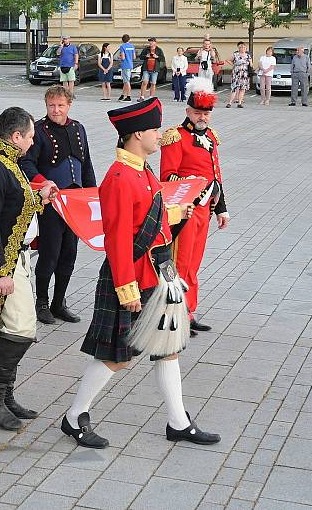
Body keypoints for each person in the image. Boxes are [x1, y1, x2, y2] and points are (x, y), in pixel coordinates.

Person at [59, 97, 220, 449]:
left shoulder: (142, 169)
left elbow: (147, 217)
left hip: (157, 272)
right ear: (135, 135)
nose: (159, 135)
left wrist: (176, 213)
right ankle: (74, 416)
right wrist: (126, 287)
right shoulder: (119, 177)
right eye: (153, 130)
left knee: (168, 347)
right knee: (116, 357)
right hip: (133, 276)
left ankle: (178, 422)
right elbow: (118, 239)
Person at [0, 107, 59, 431]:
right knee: (21, 328)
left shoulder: (5, 161)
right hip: (2, 263)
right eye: (30, 136)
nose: (33, 143)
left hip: (15, 258)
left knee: (7, 327)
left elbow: (11, 204)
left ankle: (3, 394)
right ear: (16, 136)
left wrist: (38, 195)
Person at [19, 85, 97, 325]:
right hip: (51, 203)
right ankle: (41, 302)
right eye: (51, 105)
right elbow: (27, 164)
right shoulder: (39, 131)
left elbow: (86, 165)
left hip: (75, 203)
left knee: (69, 254)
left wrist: (93, 195)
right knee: (49, 254)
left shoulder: (78, 128)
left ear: (68, 105)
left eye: (60, 105)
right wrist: (44, 182)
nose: (56, 110)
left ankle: (59, 302)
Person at [160, 77, 230, 336]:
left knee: (194, 264)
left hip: (205, 212)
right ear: (188, 111)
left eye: (206, 113)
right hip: (185, 211)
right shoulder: (175, 137)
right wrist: (194, 185)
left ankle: (188, 311)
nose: (202, 117)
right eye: (198, 112)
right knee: (179, 263)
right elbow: (168, 177)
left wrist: (221, 208)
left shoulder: (211, 136)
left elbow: (217, 174)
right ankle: (174, 314)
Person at [225, 42, 252, 108]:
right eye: (240, 47)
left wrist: (250, 63)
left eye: (243, 47)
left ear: (246, 48)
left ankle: (240, 103)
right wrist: (233, 65)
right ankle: (230, 103)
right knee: (234, 88)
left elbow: (251, 64)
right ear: (238, 48)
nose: (242, 48)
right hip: (236, 73)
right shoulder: (235, 54)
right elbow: (228, 60)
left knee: (242, 89)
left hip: (244, 73)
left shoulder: (248, 55)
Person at [117, 34, 135, 101]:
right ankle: (122, 95)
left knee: (127, 81)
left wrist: (120, 57)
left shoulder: (122, 46)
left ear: (122, 40)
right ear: (129, 39)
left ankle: (129, 96)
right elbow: (134, 57)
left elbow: (123, 57)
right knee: (125, 81)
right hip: (130, 65)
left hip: (125, 65)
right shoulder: (132, 46)